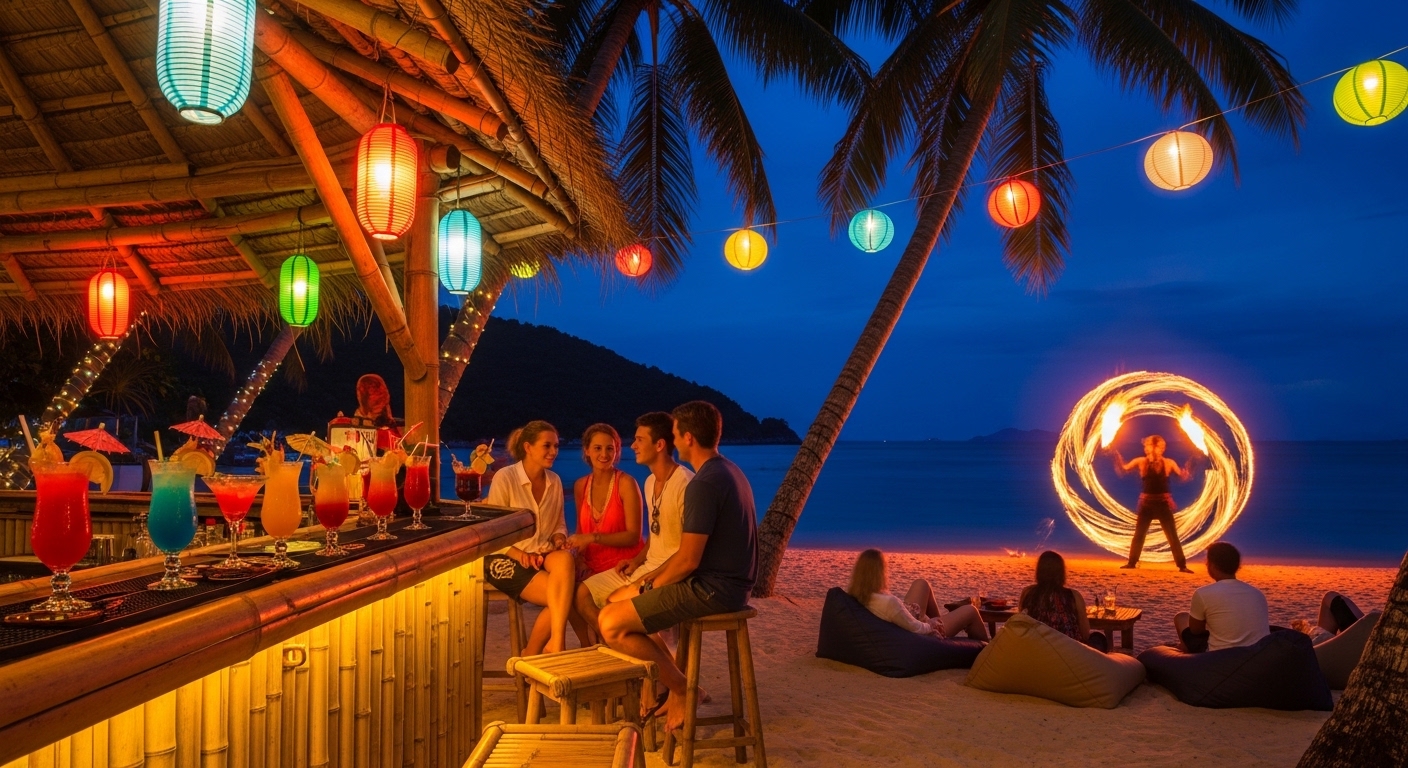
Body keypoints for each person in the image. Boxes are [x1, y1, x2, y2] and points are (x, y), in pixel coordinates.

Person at [598, 401, 755, 732]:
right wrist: (646, 580)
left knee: (610, 622)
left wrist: (647, 587)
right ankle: (671, 686)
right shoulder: (730, 471)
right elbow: (687, 553)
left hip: (713, 590)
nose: (672, 440)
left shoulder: (703, 483)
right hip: (730, 585)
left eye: (674, 433)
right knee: (619, 603)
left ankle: (683, 689)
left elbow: (688, 560)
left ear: (688, 438)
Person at [576, 413, 691, 632]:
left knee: (614, 607)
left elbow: (688, 552)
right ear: (587, 451)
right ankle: (615, 644)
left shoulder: (684, 484)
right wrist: (637, 561)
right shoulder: (650, 482)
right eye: (597, 448)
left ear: (659, 445)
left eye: (639, 440)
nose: (633, 446)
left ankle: (623, 642)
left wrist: (649, 578)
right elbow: (656, 535)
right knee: (581, 594)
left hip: (668, 573)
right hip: (646, 565)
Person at [482, 420, 577, 655]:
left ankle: (552, 644)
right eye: (547, 446)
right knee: (564, 596)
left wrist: (558, 539)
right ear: (528, 447)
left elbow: (559, 524)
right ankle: (538, 650)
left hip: (542, 553)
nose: (553, 451)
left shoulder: (554, 481)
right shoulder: (506, 477)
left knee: (565, 559)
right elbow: (495, 532)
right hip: (505, 555)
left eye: (556, 446)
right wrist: (519, 554)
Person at [846, 549, 989, 641]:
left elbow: (892, 615)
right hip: (917, 635)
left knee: (922, 583)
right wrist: (931, 625)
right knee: (971, 611)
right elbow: (916, 628)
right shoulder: (889, 603)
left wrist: (907, 610)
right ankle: (985, 651)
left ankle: (945, 626)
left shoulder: (858, 595)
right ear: (880, 572)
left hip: (905, 621)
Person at [567, 424, 644, 581]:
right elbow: (581, 531)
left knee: (578, 594)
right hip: (590, 565)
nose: (604, 454)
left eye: (609, 448)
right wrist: (578, 558)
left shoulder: (626, 483)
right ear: (587, 450)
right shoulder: (581, 486)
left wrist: (593, 537)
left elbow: (634, 536)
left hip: (622, 564)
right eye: (597, 448)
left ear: (616, 451)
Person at [1115, 435, 1196, 573]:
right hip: (1146, 504)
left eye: (1156, 446)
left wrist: (1192, 462)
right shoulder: (1141, 462)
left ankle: (1182, 565)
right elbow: (1123, 470)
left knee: (1172, 536)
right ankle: (1131, 562)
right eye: (1149, 446)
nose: (1152, 449)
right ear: (1146, 448)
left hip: (1163, 504)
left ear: (1162, 448)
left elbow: (1183, 477)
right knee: (1139, 535)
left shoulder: (1169, 463)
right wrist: (1115, 453)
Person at [1173, 542, 1269, 652]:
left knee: (1181, 618)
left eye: (1207, 562)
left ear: (1212, 566)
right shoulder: (1257, 593)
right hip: (1257, 654)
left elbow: (1195, 630)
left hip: (1220, 656)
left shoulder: (1203, 593)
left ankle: (1185, 652)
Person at [1017, 551, 1106, 652]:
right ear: (1061, 572)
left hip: (1036, 649)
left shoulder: (1028, 593)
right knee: (1099, 638)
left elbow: (1021, 623)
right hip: (1068, 652)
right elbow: (1085, 633)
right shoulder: (1074, 596)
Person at [1292, 591, 1365, 644]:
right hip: (1365, 631)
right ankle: (1309, 636)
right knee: (1330, 596)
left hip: (1362, 637)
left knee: (1330, 596)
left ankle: (1309, 637)